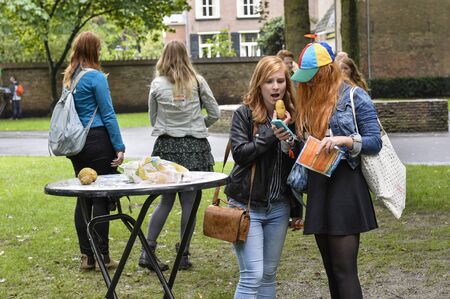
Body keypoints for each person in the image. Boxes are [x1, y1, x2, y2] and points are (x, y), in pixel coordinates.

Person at [288, 42, 381, 298]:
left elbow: (375, 141)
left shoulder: (354, 96)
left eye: (313, 77)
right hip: (319, 186)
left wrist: (345, 140)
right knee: (330, 269)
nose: (307, 84)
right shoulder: (309, 102)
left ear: (326, 72)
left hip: (345, 188)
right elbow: (303, 147)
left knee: (344, 269)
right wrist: (289, 139)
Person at [224, 56, 302, 298]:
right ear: (259, 83)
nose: (276, 87)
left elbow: (298, 164)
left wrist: (291, 141)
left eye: (280, 81)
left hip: (279, 207)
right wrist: (272, 132)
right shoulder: (244, 115)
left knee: (268, 274)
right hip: (247, 206)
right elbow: (241, 155)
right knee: (253, 274)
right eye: (269, 81)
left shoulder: (294, 114)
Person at [138, 40, 220, 271]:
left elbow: (153, 119)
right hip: (194, 147)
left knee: (165, 200)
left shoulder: (156, 84)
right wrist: (197, 125)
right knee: (189, 204)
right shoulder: (197, 81)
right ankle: (183, 254)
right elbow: (214, 112)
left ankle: (148, 250)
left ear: (163, 57)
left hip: (167, 148)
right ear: (186, 56)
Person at [63, 31, 125, 271]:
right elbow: (108, 113)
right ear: (92, 50)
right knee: (100, 195)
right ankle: (103, 256)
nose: (100, 52)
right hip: (98, 140)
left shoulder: (70, 78)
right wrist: (118, 146)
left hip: (77, 145)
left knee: (84, 197)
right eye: (98, 48)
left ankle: (87, 257)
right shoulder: (96, 77)